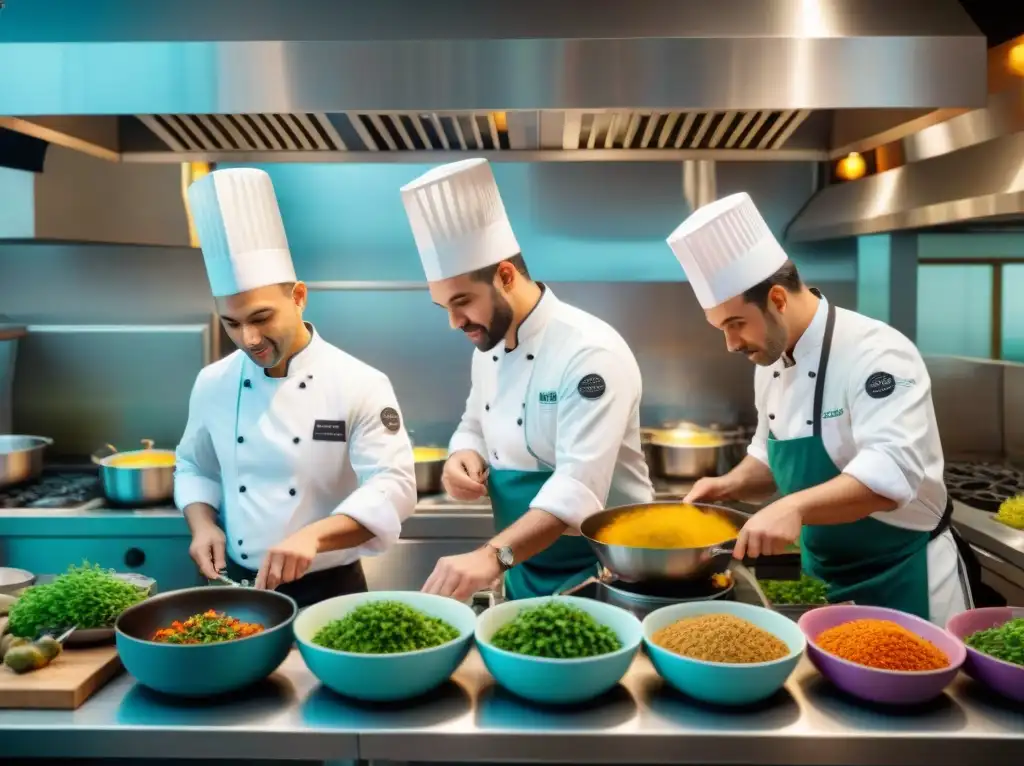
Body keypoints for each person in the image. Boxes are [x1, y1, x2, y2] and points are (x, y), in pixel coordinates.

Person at [665, 191, 986, 626]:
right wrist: (726, 485)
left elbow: (891, 473)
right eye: (721, 328)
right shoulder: (770, 359)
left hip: (904, 579)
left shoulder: (877, 353)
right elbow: (768, 454)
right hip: (825, 585)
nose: (731, 343)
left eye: (736, 323)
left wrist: (792, 507)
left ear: (777, 299)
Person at [399, 158, 655, 602]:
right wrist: (464, 453)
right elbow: (475, 419)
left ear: (505, 275)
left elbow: (577, 486)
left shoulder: (590, 353)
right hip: (526, 567)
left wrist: (491, 556)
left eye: (462, 302)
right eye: (444, 308)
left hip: (613, 571)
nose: (455, 322)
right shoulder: (490, 342)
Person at [174, 167, 417, 607]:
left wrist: (314, 537)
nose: (248, 339)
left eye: (261, 318)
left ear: (299, 296)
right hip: (238, 589)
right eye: (232, 323)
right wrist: (203, 524)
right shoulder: (212, 383)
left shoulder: (359, 383)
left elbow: (394, 485)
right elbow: (194, 467)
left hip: (332, 593)